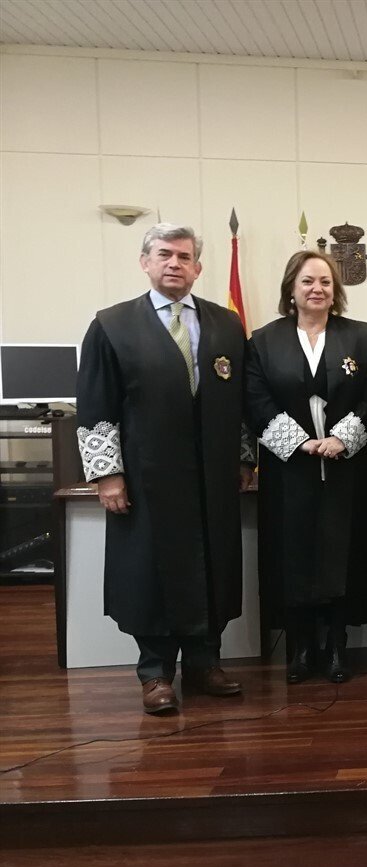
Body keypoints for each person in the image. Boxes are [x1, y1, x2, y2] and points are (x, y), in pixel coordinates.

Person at [76, 223, 255, 715]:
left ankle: (204, 663)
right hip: (147, 478)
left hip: (212, 477)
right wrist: (107, 474)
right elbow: (95, 406)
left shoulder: (226, 324)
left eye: (184, 256)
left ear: (198, 267)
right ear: (145, 262)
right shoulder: (112, 325)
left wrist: (244, 457)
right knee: (149, 572)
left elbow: (241, 403)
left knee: (212, 566)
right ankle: (154, 672)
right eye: (164, 255)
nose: (174, 263)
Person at [245, 251, 367, 685]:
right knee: (293, 555)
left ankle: (338, 646)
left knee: (345, 554)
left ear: (335, 290)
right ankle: (301, 648)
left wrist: (342, 438)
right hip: (289, 471)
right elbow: (255, 400)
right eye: (307, 281)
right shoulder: (264, 341)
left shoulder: (359, 337)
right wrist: (300, 442)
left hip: (346, 469)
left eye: (325, 282)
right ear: (291, 288)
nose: (317, 289)